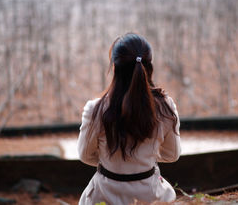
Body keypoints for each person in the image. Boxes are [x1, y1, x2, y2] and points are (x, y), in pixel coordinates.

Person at [77, 33, 181, 205]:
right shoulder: (166, 107)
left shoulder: (95, 109)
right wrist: (144, 158)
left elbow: (84, 155)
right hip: (151, 197)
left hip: (103, 197)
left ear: (115, 67)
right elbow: (172, 154)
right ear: (149, 66)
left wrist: (111, 159)